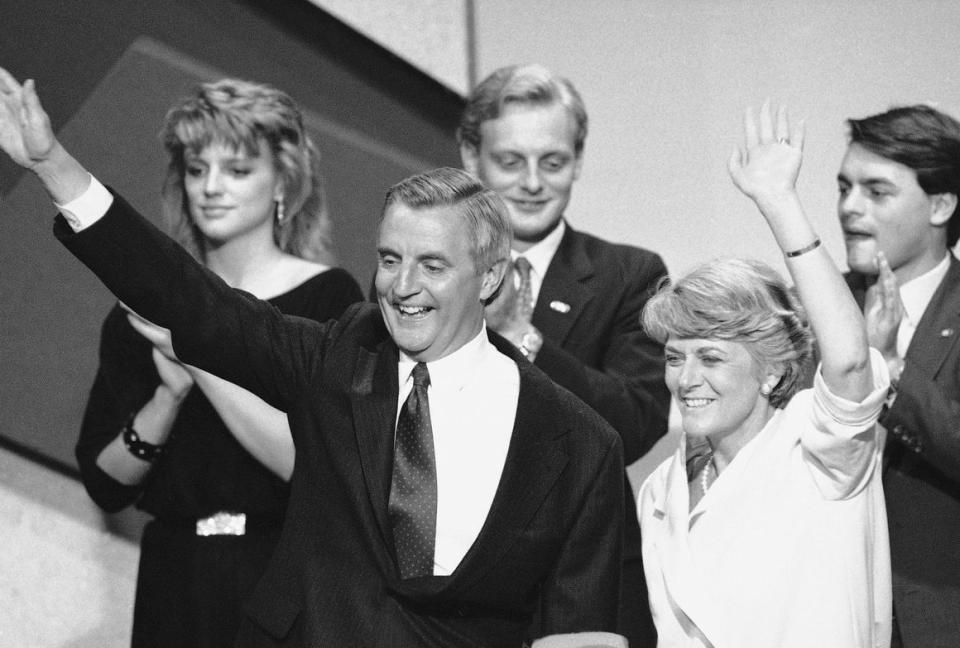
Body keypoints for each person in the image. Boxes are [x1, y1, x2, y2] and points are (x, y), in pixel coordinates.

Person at [0, 68, 627, 647]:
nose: (402, 285)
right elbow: (189, 299)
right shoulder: (337, 358)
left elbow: (579, 629)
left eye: (432, 265)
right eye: (389, 259)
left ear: (490, 279)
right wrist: (54, 167)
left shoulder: (578, 442)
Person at [72, 78, 363, 646]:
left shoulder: (326, 300)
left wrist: (196, 355)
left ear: (285, 182)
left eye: (236, 170)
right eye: (196, 168)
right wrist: (166, 397)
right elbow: (105, 486)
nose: (211, 188)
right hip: (172, 579)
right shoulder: (139, 306)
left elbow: (311, 468)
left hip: (281, 576)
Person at [638, 102, 892, 647]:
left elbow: (848, 361)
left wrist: (779, 203)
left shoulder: (820, 453)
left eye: (710, 357)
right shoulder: (661, 490)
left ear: (773, 372)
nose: (686, 379)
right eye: (675, 357)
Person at [458, 64, 669, 646]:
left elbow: (636, 421)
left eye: (552, 162)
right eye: (510, 161)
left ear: (577, 161)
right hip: (457, 576)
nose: (532, 183)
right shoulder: (429, 272)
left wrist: (522, 335)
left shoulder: (630, 274)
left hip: (587, 576)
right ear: (471, 158)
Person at [837, 104, 960, 648]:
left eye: (875, 191)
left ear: (941, 204)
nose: (848, 208)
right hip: (827, 611)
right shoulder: (819, 303)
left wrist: (890, 366)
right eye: (844, 187)